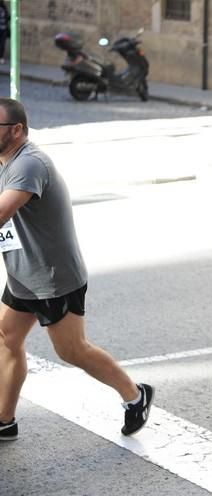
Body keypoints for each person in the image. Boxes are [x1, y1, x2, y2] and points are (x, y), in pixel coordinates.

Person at [0, 99, 154, 441]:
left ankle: (134, 395)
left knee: (72, 350)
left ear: (17, 130)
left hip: (53, 279)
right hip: (23, 274)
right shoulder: (5, 160)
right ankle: (5, 419)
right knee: (7, 338)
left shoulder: (28, 165)